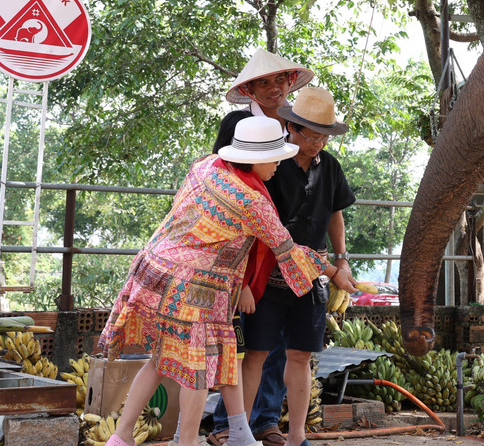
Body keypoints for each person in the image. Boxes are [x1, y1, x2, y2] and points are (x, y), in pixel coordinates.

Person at [98, 116, 345, 446]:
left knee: (159, 360)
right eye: (275, 159)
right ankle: (186, 442)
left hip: (153, 271)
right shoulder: (252, 202)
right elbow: (288, 250)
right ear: (256, 159)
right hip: (193, 289)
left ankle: (122, 435)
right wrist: (334, 271)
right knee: (196, 371)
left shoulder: (208, 166)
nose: (278, 165)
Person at [239, 86, 357, 446]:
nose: (318, 143)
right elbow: (250, 224)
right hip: (268, 276)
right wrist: (242, 280)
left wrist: (341, 258)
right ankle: (240, 433)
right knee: (256, 353)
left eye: (324, 136)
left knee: (301, 355)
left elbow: (336, 213)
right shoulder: (270, 164)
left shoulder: (331, 167)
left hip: (312, 278)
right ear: (292, 128)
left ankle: (297, 436)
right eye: (311, 135)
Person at [226, 48, 314, 128]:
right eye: (263, 82)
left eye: (280, 79)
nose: (274, 89)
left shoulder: (301, 119)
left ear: (289, 80)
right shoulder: (240, 124)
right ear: (250, 88)